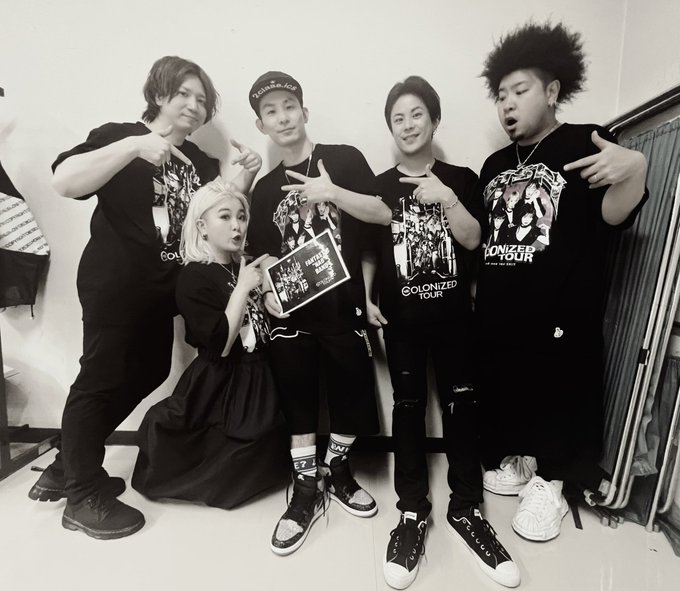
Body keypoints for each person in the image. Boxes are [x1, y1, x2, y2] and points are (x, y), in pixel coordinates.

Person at [28, 56, 261, 540]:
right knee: (98, 380)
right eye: (184, 94)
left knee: (151, 370)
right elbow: (64, 181)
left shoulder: (198, 161)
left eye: (202, 100)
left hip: (163, 293)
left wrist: (245, 178)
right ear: (158, 94)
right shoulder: (120, 135)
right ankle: (81, 495)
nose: (194, 105)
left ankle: (70, 462)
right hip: (116, 286)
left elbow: (211, 218)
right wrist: (134, 145)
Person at [475, 22, 648, 542]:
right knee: (507, 384)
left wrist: (635, 167)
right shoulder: (494, 164)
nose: (507, 104)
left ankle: (551, 482)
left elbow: (615, 215)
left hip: (562, 313)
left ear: (551, 91)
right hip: (504, 308)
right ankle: (524, 461)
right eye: (501, 95)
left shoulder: (584, 141)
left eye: (519, 90)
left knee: (561, 390)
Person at [363, 76, 519, 589]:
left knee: (462, 407)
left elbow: (474, 240)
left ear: (434, 120)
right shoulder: (381, 186)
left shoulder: (461, 179)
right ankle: (411, 512)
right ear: (390, 128)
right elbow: (370, 251)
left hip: (454, 320)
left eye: (416, 114)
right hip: (402, 322)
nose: (408, 125)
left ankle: (467, 510)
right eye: (398, 118)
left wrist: (446, 197)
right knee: (407, 408)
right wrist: (366, 296)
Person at [246, 71, 392, 555]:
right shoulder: (264, 189)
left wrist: (332, 194)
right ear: (262, 125)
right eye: (271, 111)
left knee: (352, 393)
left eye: (289, 106)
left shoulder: (343, 159)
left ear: (304, 112)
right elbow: (259, 255)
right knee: (298, 400)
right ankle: (306, 488)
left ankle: (340, 470)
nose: (282, 117)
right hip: (292, 315)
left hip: (343, 307)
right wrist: (267, 287)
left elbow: (383, 214)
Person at [131, 179, 289, 508]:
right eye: (225, 217)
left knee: (265, 444)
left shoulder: (242, 264)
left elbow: (266, 280)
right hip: (221, 379)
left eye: (241, 217)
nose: (237, 226)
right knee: (234, 456)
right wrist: (243, 289)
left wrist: (267, 285)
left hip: (260, 372)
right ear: (202, 226)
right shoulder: (194, 276)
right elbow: (221, 346)